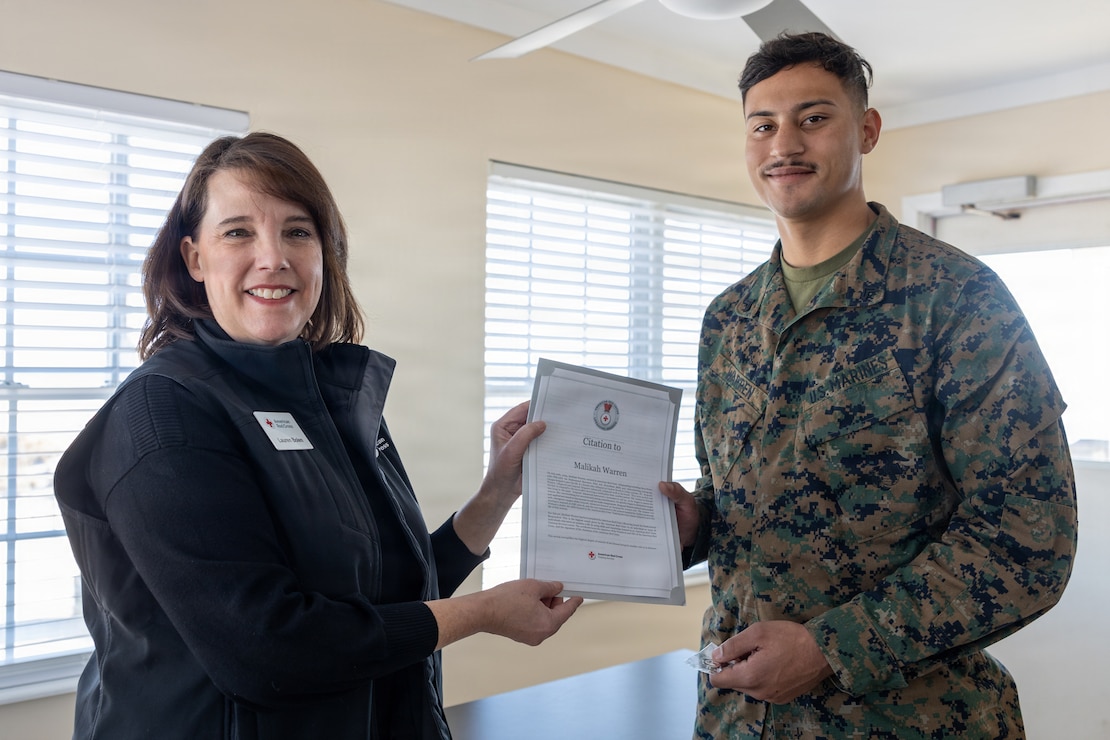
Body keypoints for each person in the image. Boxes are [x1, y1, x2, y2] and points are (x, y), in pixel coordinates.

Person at [53, 132, 583, 739]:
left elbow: (390, 594)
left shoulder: (328, 399)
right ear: (195, 258)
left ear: (324, 253)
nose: (273, 257)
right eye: (238, 232)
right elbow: (267, 650)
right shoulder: (163, 413)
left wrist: (496, 493)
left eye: (297, 231)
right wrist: (482, 613)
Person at [659, 32, 1078, 738]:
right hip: (739, 716)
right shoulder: (729, 318)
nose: (783, 143)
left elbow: (1026, 539)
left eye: (814, 118)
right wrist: (694, 525)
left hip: (908, 720)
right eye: (762, 125)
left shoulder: (956, 298)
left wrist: (831, 647)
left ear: (867, 129)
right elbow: (735, 494)